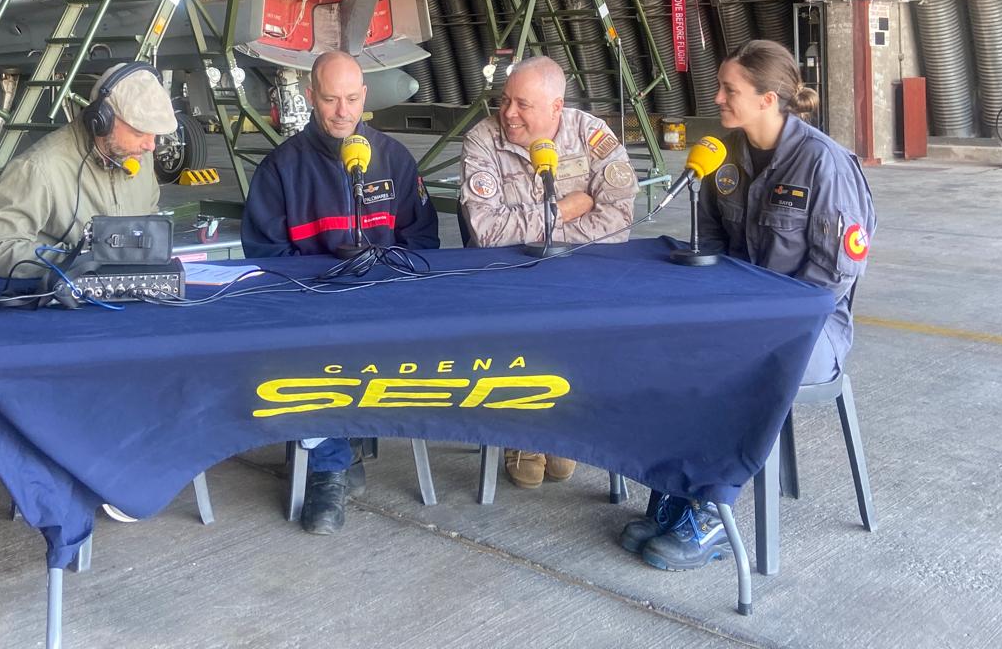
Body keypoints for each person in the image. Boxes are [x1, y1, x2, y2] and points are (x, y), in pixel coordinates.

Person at [622, 38, 875, 572]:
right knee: (673, 352)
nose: (717, 98)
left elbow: (832, 277)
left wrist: (757, 325)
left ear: (768, 98)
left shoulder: (823, 163)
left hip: (810, 329)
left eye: (728, 89)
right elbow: (711, 245)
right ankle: (678, 490)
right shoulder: (724, 154)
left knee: (731, 367)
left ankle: (714, 512)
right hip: (740, 319)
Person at [242, 50, 440, 534]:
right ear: (311, 97)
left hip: (383, 304)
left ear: (365, 96)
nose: (342, 111)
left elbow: (422, 241)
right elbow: (265, 256)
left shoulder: (394, 158)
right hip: (314, 307)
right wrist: (323, 288)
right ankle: (329, 466)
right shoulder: (281, 168)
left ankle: (349, 442)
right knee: (301, 352)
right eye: (330, 99)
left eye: (352, 99)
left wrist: (383, 282)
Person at [459, 55, 637, 489]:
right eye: (505, 100)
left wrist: (545, 235)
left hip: (579, 274)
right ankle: (521, 432)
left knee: (597, 330)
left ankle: (562, 424)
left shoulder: (591, 134)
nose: (509, 113)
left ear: (557, 107)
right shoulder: (483, 140)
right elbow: (488, 232)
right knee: (517, 330)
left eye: (523, 104)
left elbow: (620, 220)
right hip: (508, 278)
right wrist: (567, 209)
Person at [0, 61, 178, 279]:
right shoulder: (37, 169)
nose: (150, 146)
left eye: (154, 135)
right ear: (103, 120)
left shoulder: (139, 157)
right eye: (139, 133)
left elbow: (149, 219)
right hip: (63, 294)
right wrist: (79, 259)